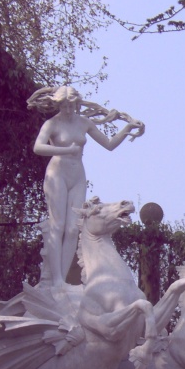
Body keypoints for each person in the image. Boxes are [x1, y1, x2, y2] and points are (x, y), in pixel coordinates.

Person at [30, 86, 144, 287]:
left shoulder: (83, 123)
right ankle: (55, 278)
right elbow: (38, 147)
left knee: (74, 229)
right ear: (58, 104)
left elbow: (109, 144)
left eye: (70, 105)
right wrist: (64, 149)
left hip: (78, 175)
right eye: (63, 105)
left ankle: (61, 279)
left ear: (76, 104)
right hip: (57, 173)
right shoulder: (52, 124)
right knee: (58, 225)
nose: (67, 109)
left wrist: (127, 129)